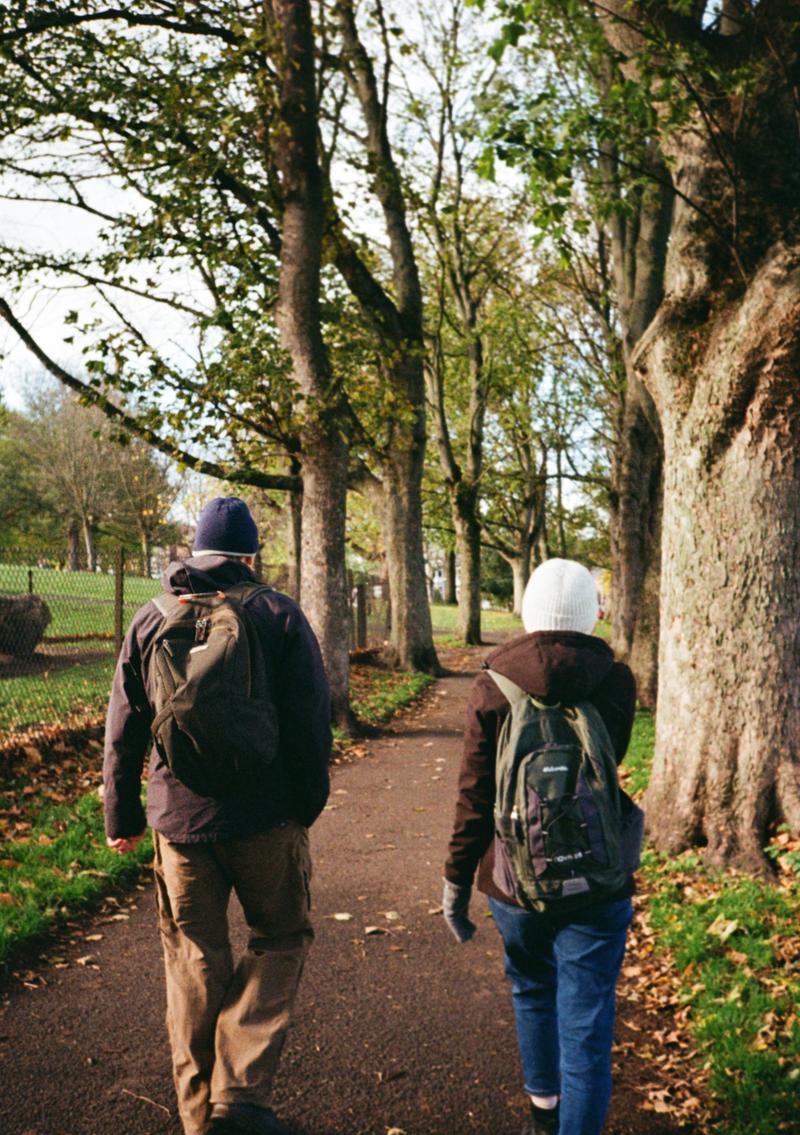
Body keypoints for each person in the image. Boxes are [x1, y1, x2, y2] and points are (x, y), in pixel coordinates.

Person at [103, 496, 331, 1135]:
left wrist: (120, 813)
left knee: (194, 957)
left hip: (179, 824)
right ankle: (243, 1093)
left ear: (195, 552)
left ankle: (202, 1120)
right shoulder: (279, 614)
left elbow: (124, 727)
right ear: (249, 554)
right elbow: (311, 723)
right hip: (267, 820)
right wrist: (304, 806)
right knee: (280, 938)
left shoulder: (151, 618)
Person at [442, 558, 637, 1135]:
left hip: (513, 879)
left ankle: (542, 1115)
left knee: (532, 990)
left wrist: (456, 883)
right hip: (598, 880)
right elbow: (610, 762)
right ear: (591, 616)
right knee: (587, 1026)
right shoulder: (616, 681)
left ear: (529, 613)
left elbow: (474, 794)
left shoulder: (492, 684)